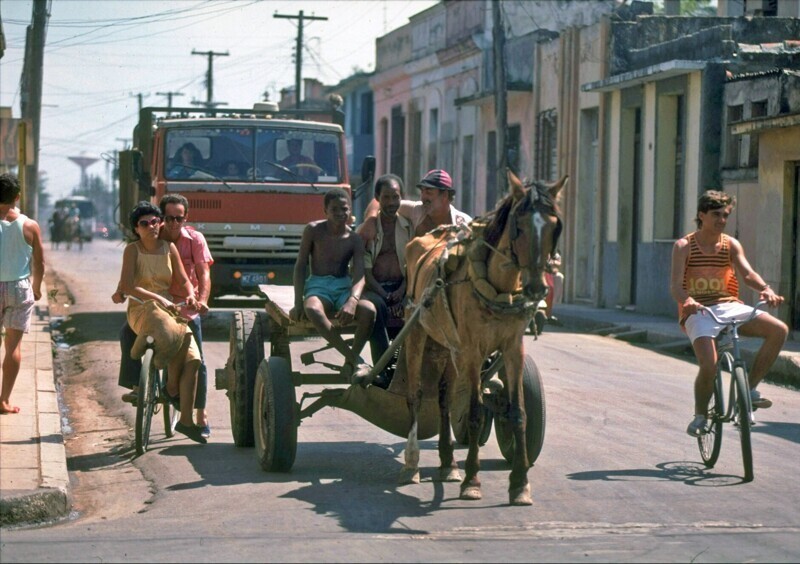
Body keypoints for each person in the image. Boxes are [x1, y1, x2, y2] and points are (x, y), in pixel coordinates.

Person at [669, 190, 788, 437]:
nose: (722, 220)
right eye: (716, 215)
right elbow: (676, 286)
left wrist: (766, 289)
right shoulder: (684, 246)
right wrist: (687, 301)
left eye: (725, 215)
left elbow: (747, 273)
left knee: (779, 330)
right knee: (709, 366)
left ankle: (750, 390)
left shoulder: (731, 244)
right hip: (698, 311)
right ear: (701, 215)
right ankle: (701, 415)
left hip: (730, 306)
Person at [113, 194, 214, 438]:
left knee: (194, 358)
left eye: (155, 222)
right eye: (144, 224)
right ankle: (141, 384)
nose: (154, 226)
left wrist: (194, 296)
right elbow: (127, 285)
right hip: (145, 307)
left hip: (173, 308)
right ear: (136, 229)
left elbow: (187, 279)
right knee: (131, 334)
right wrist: (160, 299)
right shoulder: (132, 250)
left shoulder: (171, 247)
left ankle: (188, 419)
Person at [289, 188, 376, 383]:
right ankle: (355, 359)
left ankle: (349, 362)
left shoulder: (354, 239)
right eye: (334, 209)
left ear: (350, 210)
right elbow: (301, 265)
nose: (340, 214)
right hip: (318, 286)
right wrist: (297, 302)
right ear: (325, 211)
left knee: (369, 310)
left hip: (343, 287)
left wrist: (353, 301)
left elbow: (360, 274)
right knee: (312, 309)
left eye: (344, 209)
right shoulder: (313, 230)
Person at [358, 174, 413, 389]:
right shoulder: (367, 230)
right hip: (374, 288)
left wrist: (403, 291)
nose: (391, 203)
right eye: (386, 197)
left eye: (395, 197)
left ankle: (406, 369)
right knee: (377, 309)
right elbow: (364, 271)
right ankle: (382, 369)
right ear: (377, 199)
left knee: (419, 311)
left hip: (402, 287)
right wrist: (383, 293)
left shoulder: (409, 227)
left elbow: (414, 266)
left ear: (402, 197)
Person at [0, 173, 45, 415]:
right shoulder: (29, 225)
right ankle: (4, 400)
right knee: (12, 347)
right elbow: (40, 262)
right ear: (17, 196)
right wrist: (36, 288)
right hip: (19, 288)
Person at [360, 169, 472, 239]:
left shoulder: (464, 224)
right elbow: (379, 201)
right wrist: (370, 220)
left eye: (428, 192)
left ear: (445, 195)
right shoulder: (416, 210)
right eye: (422, 192)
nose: (423, 197)